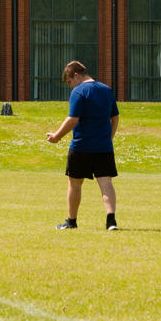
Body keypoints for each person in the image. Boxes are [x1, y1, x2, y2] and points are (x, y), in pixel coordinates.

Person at [45, 60, 119, 231]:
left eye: (70, 82)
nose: (71, 86)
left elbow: (73, 119)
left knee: (74, 183)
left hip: (81, 146)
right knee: (106, 182)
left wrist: (56, 136)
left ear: (76, 76)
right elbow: (115, 117)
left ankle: (71, 221)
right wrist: (109, 137)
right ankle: (111, 221)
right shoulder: (106, 90)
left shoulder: (79, 92)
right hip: (103, 146)